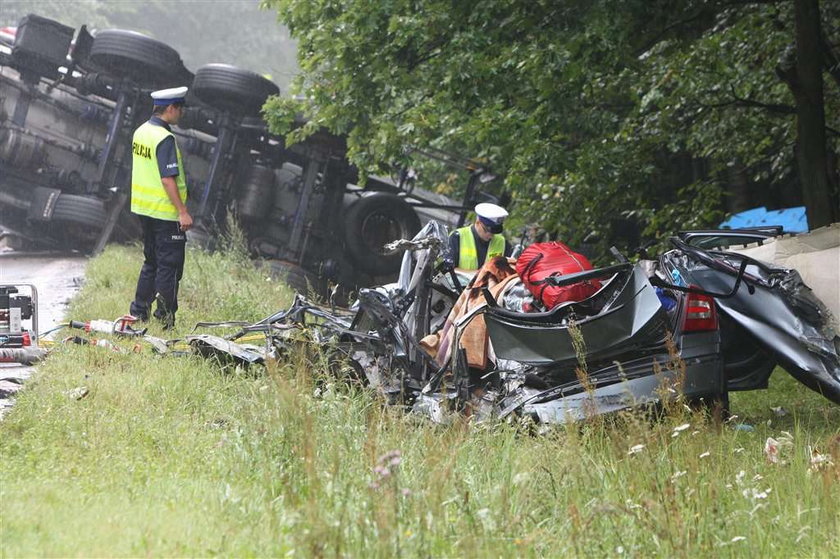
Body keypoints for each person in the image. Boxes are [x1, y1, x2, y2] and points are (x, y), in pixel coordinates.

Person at [128, 86, 192, 329]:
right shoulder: (165, 138)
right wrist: (182, 211)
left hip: (145, 209)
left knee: (151, 261)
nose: (182, 114)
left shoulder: (141, 131)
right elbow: (167, 179)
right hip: (166, 212)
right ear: (171, 108)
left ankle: (139, 311)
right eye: (180, 109)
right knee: (170, 266)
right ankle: (165, 319)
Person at [447, 202, 511, 271]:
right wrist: (478, 275)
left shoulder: (503, 243)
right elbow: (449, 270)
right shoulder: (457, 237)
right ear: (478, 222)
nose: (491, 235)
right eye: (487, 231)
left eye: (494, 232)